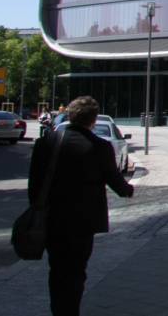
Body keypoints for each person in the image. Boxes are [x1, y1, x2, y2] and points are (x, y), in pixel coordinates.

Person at [28, 96, 134, 316]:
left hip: (51, 220)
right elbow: (115, 181)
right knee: (75, 273)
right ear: (93, 119)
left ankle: (57, 310)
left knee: (56, 270)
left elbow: (34, 184)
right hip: (82, 224)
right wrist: (128, 190)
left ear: (69, 116)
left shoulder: (46, 143)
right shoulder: (99, 146)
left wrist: (38, 211)